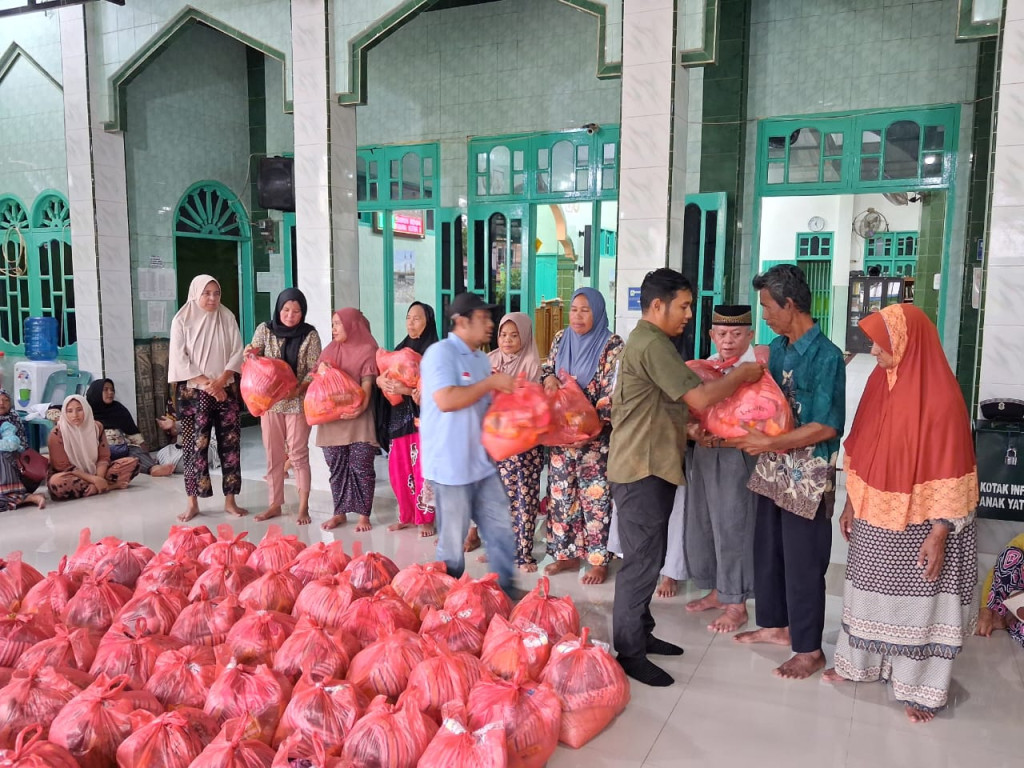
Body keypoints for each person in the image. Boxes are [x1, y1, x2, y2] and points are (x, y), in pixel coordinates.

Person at [609, 269, 765, 687]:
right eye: (684, 306)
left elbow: (658, 406)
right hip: (640, 469)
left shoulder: (650, 342)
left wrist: (690, 430)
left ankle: (641, 633)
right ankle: (629, 653)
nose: (689, 314)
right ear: (657, 305)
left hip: (649, 463)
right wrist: (740, 376)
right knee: (640, 564)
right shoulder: (652, 343)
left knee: (649, 558)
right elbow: (700, 395)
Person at [823, 304, 979, 722]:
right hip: (874, 517)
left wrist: (939, 535)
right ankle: (859, 666)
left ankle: (919, 689)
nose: (873, 350)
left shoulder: (942, 399)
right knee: (867, 593)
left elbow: (952, 471)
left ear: (908, 343)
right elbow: (860, 446)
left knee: (917, 607)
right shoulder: (879, 383)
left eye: (881, 342)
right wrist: (851, 503)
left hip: (921, 527)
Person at [730, 264, 845, 681]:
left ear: (790, 304)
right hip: (774, 466)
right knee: (769, 549)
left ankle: (810, 648)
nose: (764, 316)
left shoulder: (827, 355)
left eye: (767, 307)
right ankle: (776, 624)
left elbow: (828, 425)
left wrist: (768, 443)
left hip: (809, 472)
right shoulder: (777, 349)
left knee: (803, 560)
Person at [419, 292, 519, 597]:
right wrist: (490, 383)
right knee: (453, 542)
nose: (489, 324)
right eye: (483, 318)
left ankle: (505, 594)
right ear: (462, 322)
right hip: (450, 467)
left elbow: (483, 408)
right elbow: (446, 400)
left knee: (500, 530)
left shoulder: (479, 359)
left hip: (481, 463)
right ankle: (445, 603)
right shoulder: (440, 353)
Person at [680, 305, 760, 632]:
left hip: (737, 457)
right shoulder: (707, 367)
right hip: (704, 454)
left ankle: (736, 602)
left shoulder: (756, 371)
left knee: (733, 527)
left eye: (737, 334)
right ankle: (717, 589)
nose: (728, 341)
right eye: (723, 334)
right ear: (712, 335)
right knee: (704, 524)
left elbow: (763, 419)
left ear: (750, 335)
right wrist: (691, 430)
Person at [540, 287, 624, 585]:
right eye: (574, 310)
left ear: (598, 312)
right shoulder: (561, 338)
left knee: (595, 498)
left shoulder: (612, 345)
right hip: (561, 436)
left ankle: (598, 561)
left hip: (595, 440)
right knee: (561, 494)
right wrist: (549, 378)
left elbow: (612, 391)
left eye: (585, 310)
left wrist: (592, 429)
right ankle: (567, 555)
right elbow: (547, 368)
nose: (577, 316)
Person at [168, 274, 246, 522]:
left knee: (230, 445)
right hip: (193, 393)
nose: (212, 298)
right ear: (195, 293)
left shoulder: (227, 316)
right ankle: (193, 503)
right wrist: (209, 384)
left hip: (226, 388)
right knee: (194, 448)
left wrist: (221, 381)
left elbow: (238, 351)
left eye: (216, 293)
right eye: (206, 293)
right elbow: (180, 359)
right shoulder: (182, 319)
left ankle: (230, 500)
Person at [246, 288, 322, 525]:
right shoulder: (265, 329)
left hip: (298, 403)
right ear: (278, 309)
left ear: (303, 312)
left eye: (296, 311)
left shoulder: (310, 335)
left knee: (298, 455)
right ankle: (275, 504)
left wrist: (298, 389)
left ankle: (303, 506)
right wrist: (249, 353)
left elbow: (314, 369)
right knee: (273, 455)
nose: (290, 315)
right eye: (286, 310)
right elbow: (253, 352)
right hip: (270, 404)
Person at [488, 312, 545, 572]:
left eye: (514, 335)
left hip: (523, 446)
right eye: (503, 334)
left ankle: (523, 554)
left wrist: (505, 386)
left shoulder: (532, 364)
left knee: (524, 499)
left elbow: (530, 404)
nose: (507, 340)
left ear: (525, 337)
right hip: (497, 442)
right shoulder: (491, 360)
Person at [317, 308, 380, 532]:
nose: (333, 329)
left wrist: (360, 408)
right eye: (332, 324)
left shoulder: (367, 349)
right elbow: (317, 380)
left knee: (362, 466)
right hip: (332, 420)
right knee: (337, 467)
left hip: (359, 420)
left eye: (338, 324)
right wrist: (321, 370)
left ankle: (364, 515)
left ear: (352, 325)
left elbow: (367, 383)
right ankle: (339, 512)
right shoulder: (329, 350)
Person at [380, 302, 439, 537]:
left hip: (423, 421)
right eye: (408, 317)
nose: (411, 323)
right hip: (399, 420)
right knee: (399, 470)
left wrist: (405, 390)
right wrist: (381, 382)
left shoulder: (435, 352)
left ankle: (426, 519)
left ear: (428, 322)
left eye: (417, 318)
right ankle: (406, 515)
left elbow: (437, 390)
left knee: (423, 471)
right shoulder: (400, 349)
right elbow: (384, 376)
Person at [47, 395, 140, 500]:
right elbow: (64, 468)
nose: (75, 415)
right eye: (69, 411)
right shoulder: (57, 433)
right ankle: (108, 486)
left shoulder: (97, 427)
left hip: (96, 471)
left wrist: (98, 478)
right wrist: (94, 480)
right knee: (56, 483)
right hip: (72, 475)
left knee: (133, 463)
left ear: (86, 410)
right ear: (64, 412)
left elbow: (103, 458)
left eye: (79, 410)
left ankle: (95, 487)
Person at [85, 378, 176, 477]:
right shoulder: (86, 412)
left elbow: (132, 432)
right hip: (99, 452)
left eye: (112, 390)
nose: (110, 393)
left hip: (120, 449)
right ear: (96, 392)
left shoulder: (118, 409)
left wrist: (145, 453)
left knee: (135, 451)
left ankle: (153, 468)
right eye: (105, 390)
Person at [0, 388, 46, 510]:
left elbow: (13, 444)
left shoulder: (7, 423)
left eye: (5, 400)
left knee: (4, 453)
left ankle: (22, 496)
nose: (1, 403)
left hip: (19, 472)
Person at [978, 533, 1024, 646]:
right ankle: (998, 616)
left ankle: (1015, 623)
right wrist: (986, 611)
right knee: (1011, 555)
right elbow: (998, 570)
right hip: (1016, 596)